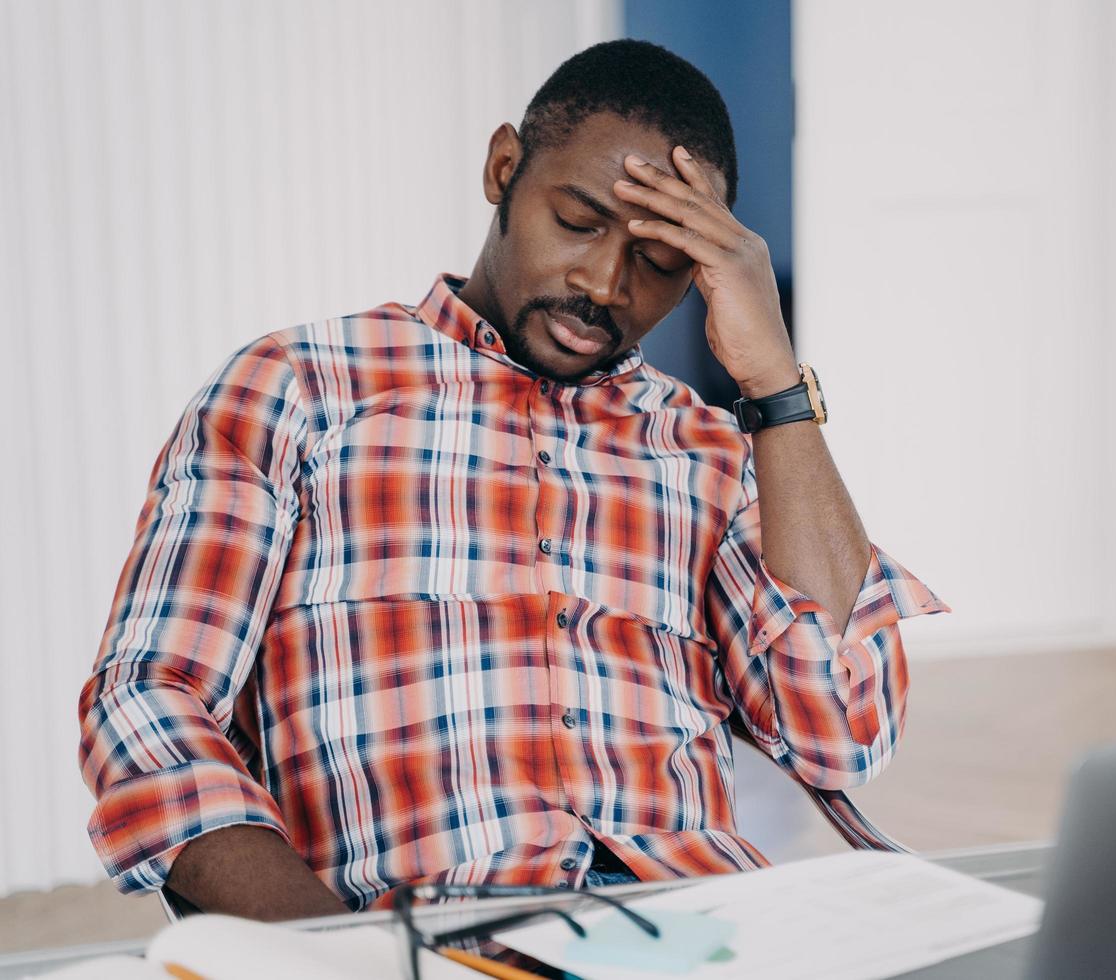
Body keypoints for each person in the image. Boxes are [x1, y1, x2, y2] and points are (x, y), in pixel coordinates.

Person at [78, 39, 947, 920]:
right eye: (577, 221)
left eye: (659, 262)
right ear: (504, 168)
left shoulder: (710, 450)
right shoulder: (299, 390)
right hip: (433, 929)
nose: (605, 285)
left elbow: (842, 734)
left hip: (702, 926)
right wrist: (332, 955)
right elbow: (147, 703)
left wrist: (775, 387)